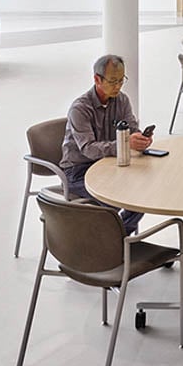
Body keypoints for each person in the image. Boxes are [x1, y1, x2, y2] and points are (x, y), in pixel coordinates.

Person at [60, 54, 153, 234]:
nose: (118, 86)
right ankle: (111, 239)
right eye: (112, 81)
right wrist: (125, 144)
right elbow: (88, 149)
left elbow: (132, 129)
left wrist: (141, 139)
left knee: (141, 193)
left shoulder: (122, 100)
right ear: (97, 79)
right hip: (77, 171)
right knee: (115, 197)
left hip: (108, 165)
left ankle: (116, 237)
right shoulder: (80, 108)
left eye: (121, 80)